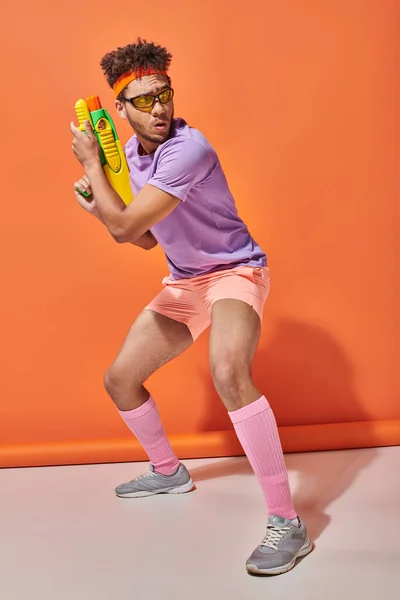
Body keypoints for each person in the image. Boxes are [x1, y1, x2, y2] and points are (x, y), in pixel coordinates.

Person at [70, 38, 312, 576]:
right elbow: (148, 240)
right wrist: (99, 207)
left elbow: (127, 226)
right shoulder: (132, 157)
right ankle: (167, 470)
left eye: (165, 95)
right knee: (119, 380)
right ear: (121, 109)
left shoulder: (189, 148)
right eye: (145, 100)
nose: (160, 109)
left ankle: (287, 524)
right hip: (185, 282)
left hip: (235, 272)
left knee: (228, 370)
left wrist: (91, 167)